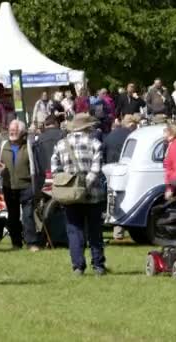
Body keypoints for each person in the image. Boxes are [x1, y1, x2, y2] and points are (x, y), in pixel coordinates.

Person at [51, 113, 107, 276]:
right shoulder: (95, 143)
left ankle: (77, 266)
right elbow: (96, 170)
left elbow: (55, 168)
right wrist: (84, 185)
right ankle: (98, 265)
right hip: (93, 194)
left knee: (74, 229)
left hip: (70, 193)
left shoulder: (61, 144)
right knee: (95, 230)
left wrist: (69, 181)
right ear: (88, 127)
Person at [0, 119, 42, 251]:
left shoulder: (29, 146)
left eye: (15, 130)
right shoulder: (3, 146)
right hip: (8, 186)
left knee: (27, 215)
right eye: (10, 130)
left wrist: (37, 186)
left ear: (22, 132)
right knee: (13, 215)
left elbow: (37, 167)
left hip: (26, 186)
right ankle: (16, 243)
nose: (12, 132)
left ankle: (31, 242)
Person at [102, 114, 140, 240]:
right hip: (124, 172)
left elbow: (103, 152)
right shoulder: (132, 136)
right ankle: (119, 230)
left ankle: (113, 228)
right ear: (132, 124)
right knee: (123, 200)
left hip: (109, 171)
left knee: (111, 199)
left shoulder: (110, 135)